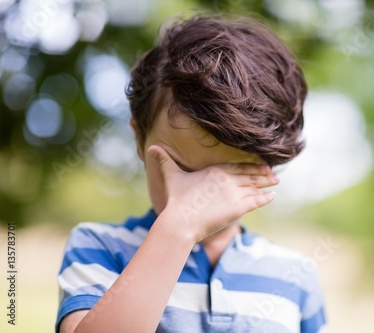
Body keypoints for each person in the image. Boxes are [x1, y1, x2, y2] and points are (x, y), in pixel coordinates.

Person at [56, 14, 327, 333]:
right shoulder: (99, 247)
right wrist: (178, 228)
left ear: (265, 162)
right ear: (139, 140)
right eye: (182, 167)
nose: (202, 194)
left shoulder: (294, 276)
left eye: (229, 173)